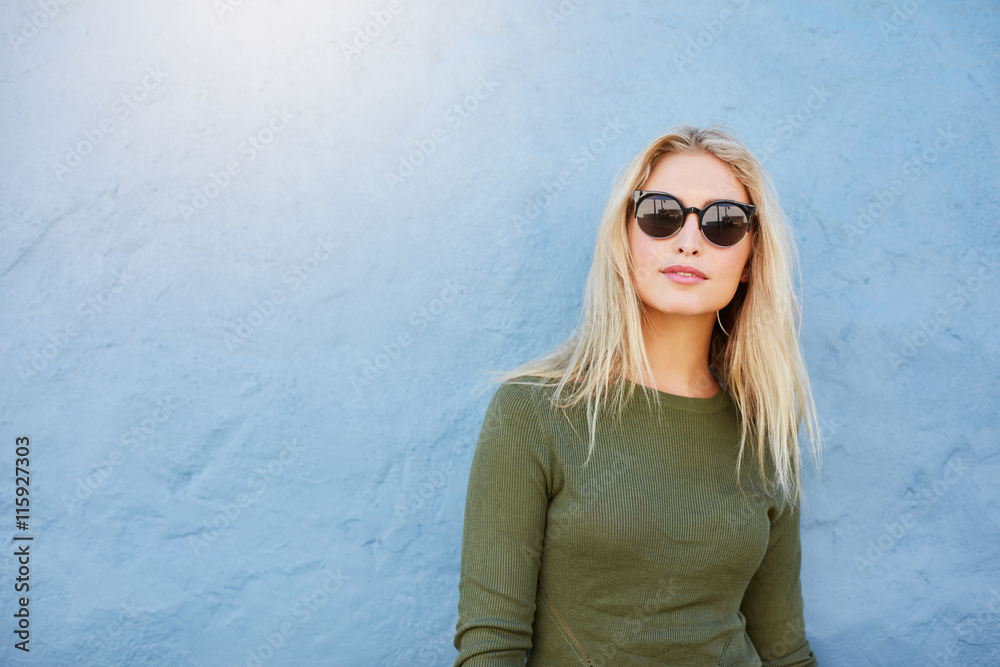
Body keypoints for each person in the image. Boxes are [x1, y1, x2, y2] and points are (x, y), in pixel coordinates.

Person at [453, 124, 824, 666]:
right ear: (624, 238)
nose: (689, 239)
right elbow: (491, 647)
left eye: (723, 222)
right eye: (661, 213)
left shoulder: (764, 432)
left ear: (750, 260)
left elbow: (784, 650)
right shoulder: (533, 412)